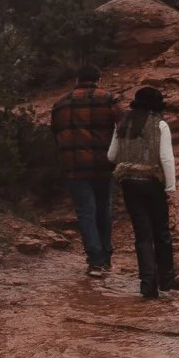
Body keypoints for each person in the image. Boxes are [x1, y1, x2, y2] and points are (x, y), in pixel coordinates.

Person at [107, 85, 177, 299]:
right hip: (153, 182)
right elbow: (166, 158)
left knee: (142, 234)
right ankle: (166, 284)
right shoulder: (160, 124)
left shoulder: (123, 122)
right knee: (162, 233)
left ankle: (148, 285)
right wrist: (171, 187)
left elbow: (111, 156)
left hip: (129, 184)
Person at [49, 63, 119, 276]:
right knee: (104, 209)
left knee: (86, 212)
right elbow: (123, 128)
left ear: (77, 80)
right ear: (99, 80)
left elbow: (55, 133)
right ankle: (106, 258)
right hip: (103, 165)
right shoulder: (108, 99)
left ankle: (95, 262)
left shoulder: (60, 104)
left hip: (74, 167)